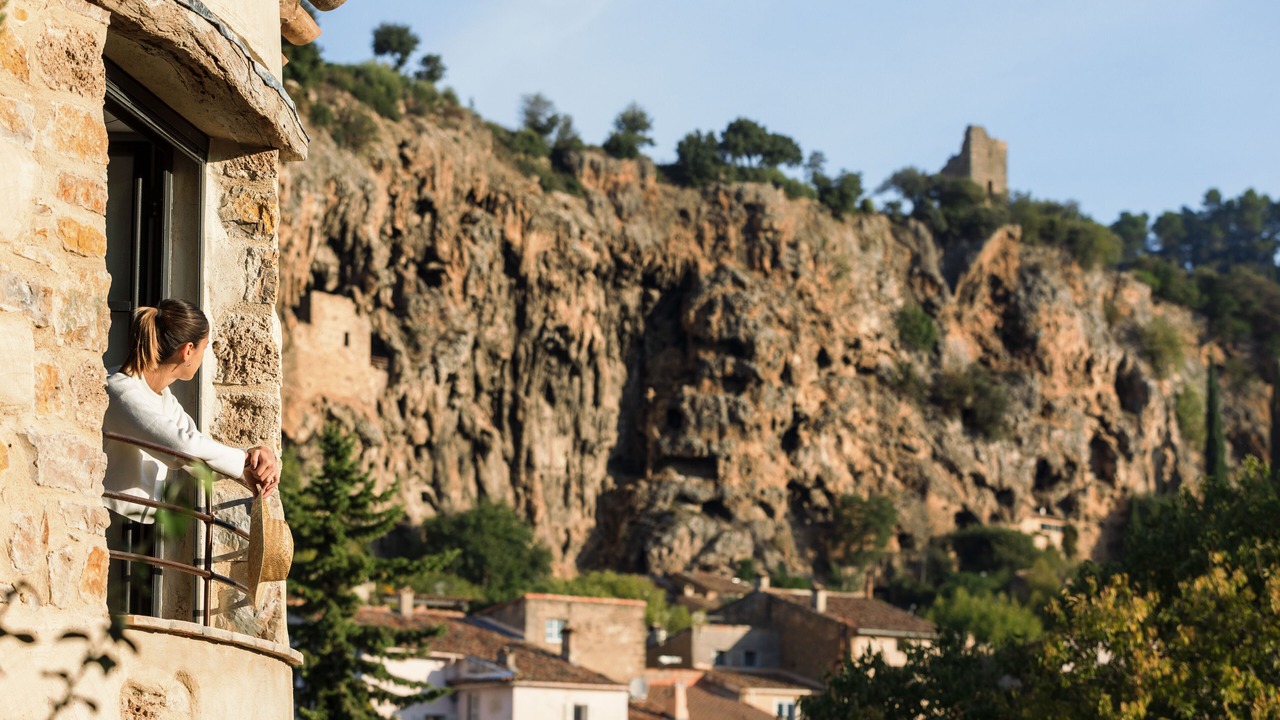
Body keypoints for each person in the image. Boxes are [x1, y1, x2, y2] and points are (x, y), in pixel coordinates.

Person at [102, 299, 279, 612]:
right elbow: (181, 446)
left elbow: (195, 448)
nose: (203, 356)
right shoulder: (121, 389)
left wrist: (247, 465)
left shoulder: (162, 399)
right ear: (187, 351)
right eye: (204, 348)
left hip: (140, 534)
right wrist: (242, 460)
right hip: (110, 529)